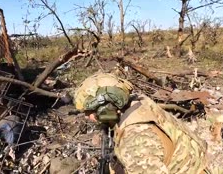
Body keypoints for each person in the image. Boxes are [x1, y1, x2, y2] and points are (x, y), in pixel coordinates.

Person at [74, 72, 208, 174]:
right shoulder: (135, 104)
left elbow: (139, 154)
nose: (87, 117)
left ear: (106, 109)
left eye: (89, 111)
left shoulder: (137, 142)